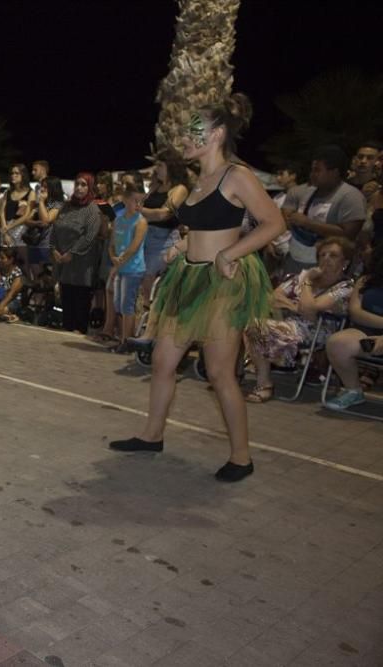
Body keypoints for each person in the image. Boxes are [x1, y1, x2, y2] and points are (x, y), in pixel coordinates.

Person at [109, 93, 286, 483]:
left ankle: (242, 457)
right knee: (162, 361)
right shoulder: (198, 182)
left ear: (218, 133)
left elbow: (274, 224)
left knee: (220, 373)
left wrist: (231, 254)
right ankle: (151, 436)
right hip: (188, 278)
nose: (184, 138)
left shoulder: (237, 175)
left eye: (193, 130)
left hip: (222, 284)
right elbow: (202, 229)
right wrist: (182, 246)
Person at [244, 237, 354, 402]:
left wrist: (307, 283)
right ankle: (236, 374)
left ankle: (264, 384)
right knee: (245, 322)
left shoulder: (345, 286)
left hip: (319, 332)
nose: (326, 259)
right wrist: (297, 307)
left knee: (257, 327)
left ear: (345, 262)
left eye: (333, 255)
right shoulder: (299, 278)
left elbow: (310, 309)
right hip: (289, 324)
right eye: (322, 255)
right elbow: (273, 297)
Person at [282, 145, 365, 275]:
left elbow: (349, 234)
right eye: (312, 170)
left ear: (335, 172)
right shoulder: (309, 192)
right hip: (297, 260)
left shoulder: (351, 196)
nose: (312, 175)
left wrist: (308, 223)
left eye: (317, 170)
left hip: (327, 269)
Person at [324, 243, 383, 410]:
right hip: (365, 331)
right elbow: (355, 312)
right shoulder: (366, 280)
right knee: (337, 343)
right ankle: (353, 391)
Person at [46, 172, 102, 333]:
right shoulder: (66, 206)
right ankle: (67, 325)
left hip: (82, 262)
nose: (79, 188)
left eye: (84, 185)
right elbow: (55, 228)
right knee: (67, 293)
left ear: (90, 187)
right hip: (62, 259)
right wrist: (54, 248)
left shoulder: (92, 209)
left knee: (80, 296)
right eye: (77, 184)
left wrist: (72, 252)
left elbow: (90, 235)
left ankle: (80, 328)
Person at [140, 149, 190, 300]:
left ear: (171, 166)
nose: (156, 169)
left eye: (160, 165)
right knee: (146, 287)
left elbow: (164, 214)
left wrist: (139, 210)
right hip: (147, 239)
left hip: (165, 241)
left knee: (157, 286)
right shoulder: (156, 187)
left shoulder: (179, 189)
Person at [107, 184, 148, 351]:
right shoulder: (119, 219)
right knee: (119, 304)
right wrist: (113, 258)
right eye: (135, 200)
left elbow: (135, 246)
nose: (138, 205)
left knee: (127, 305)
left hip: (133, 268)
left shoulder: (141, 221)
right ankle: (123, 339)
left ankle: (126, 342)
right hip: (121, 267)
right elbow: (111, 244)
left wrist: (119, 261)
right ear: (125, 200)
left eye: (141, 202)